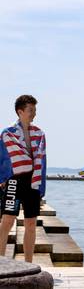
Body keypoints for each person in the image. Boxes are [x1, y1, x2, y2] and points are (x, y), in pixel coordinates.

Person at [0, 95, 47, 262]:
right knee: (7, 221)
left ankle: (28, 264)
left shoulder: (39, 134)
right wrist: (2, 179)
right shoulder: (7, 134)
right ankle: (1, 262)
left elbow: (42, 161)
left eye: (35, 110)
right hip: (14, 181)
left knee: (31, 224)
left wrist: (41, 187)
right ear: (20, 111)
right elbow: (2, 158)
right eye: (31, 110)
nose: (34, 113)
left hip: (33, 182)